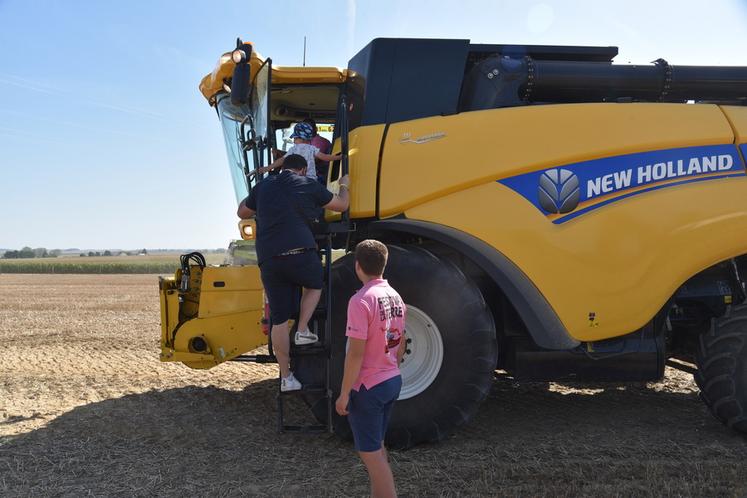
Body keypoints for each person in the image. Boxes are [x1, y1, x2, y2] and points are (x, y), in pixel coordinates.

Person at [237, 153, 350, 391]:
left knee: (278, 319)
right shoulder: (308, 184)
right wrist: (343, 185)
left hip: (269, 259)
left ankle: (287, 378)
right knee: (315, 284)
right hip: (300, 251)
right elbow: (341, 205)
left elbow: (242, 213)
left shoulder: (264, 186)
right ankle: (302, 330)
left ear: (283, 168)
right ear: (302, 170)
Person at [335, 240, 406, 498]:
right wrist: (391, 367)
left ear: (357, 266)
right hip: (391, 380)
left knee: (369, 454)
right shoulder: (395, 296)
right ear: (384, 264)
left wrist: (344, 395)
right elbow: (402, 339)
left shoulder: (360, 300)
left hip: (368, 387)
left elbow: (355, 353)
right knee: (377, 447)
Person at [259, 122, 340, 180]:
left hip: (298, 179)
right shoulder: (312, 149)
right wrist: (338, 157)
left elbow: (282, 160)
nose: (294, 141)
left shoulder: (293, 149)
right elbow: (325, 157)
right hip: (311, 181)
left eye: (295, 138)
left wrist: (268, 167)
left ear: (300, 138)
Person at [303, 117, 332, 183]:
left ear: (315, 129)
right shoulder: (307, 142)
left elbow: (313, 159)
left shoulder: (318, 141)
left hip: (320, 177)